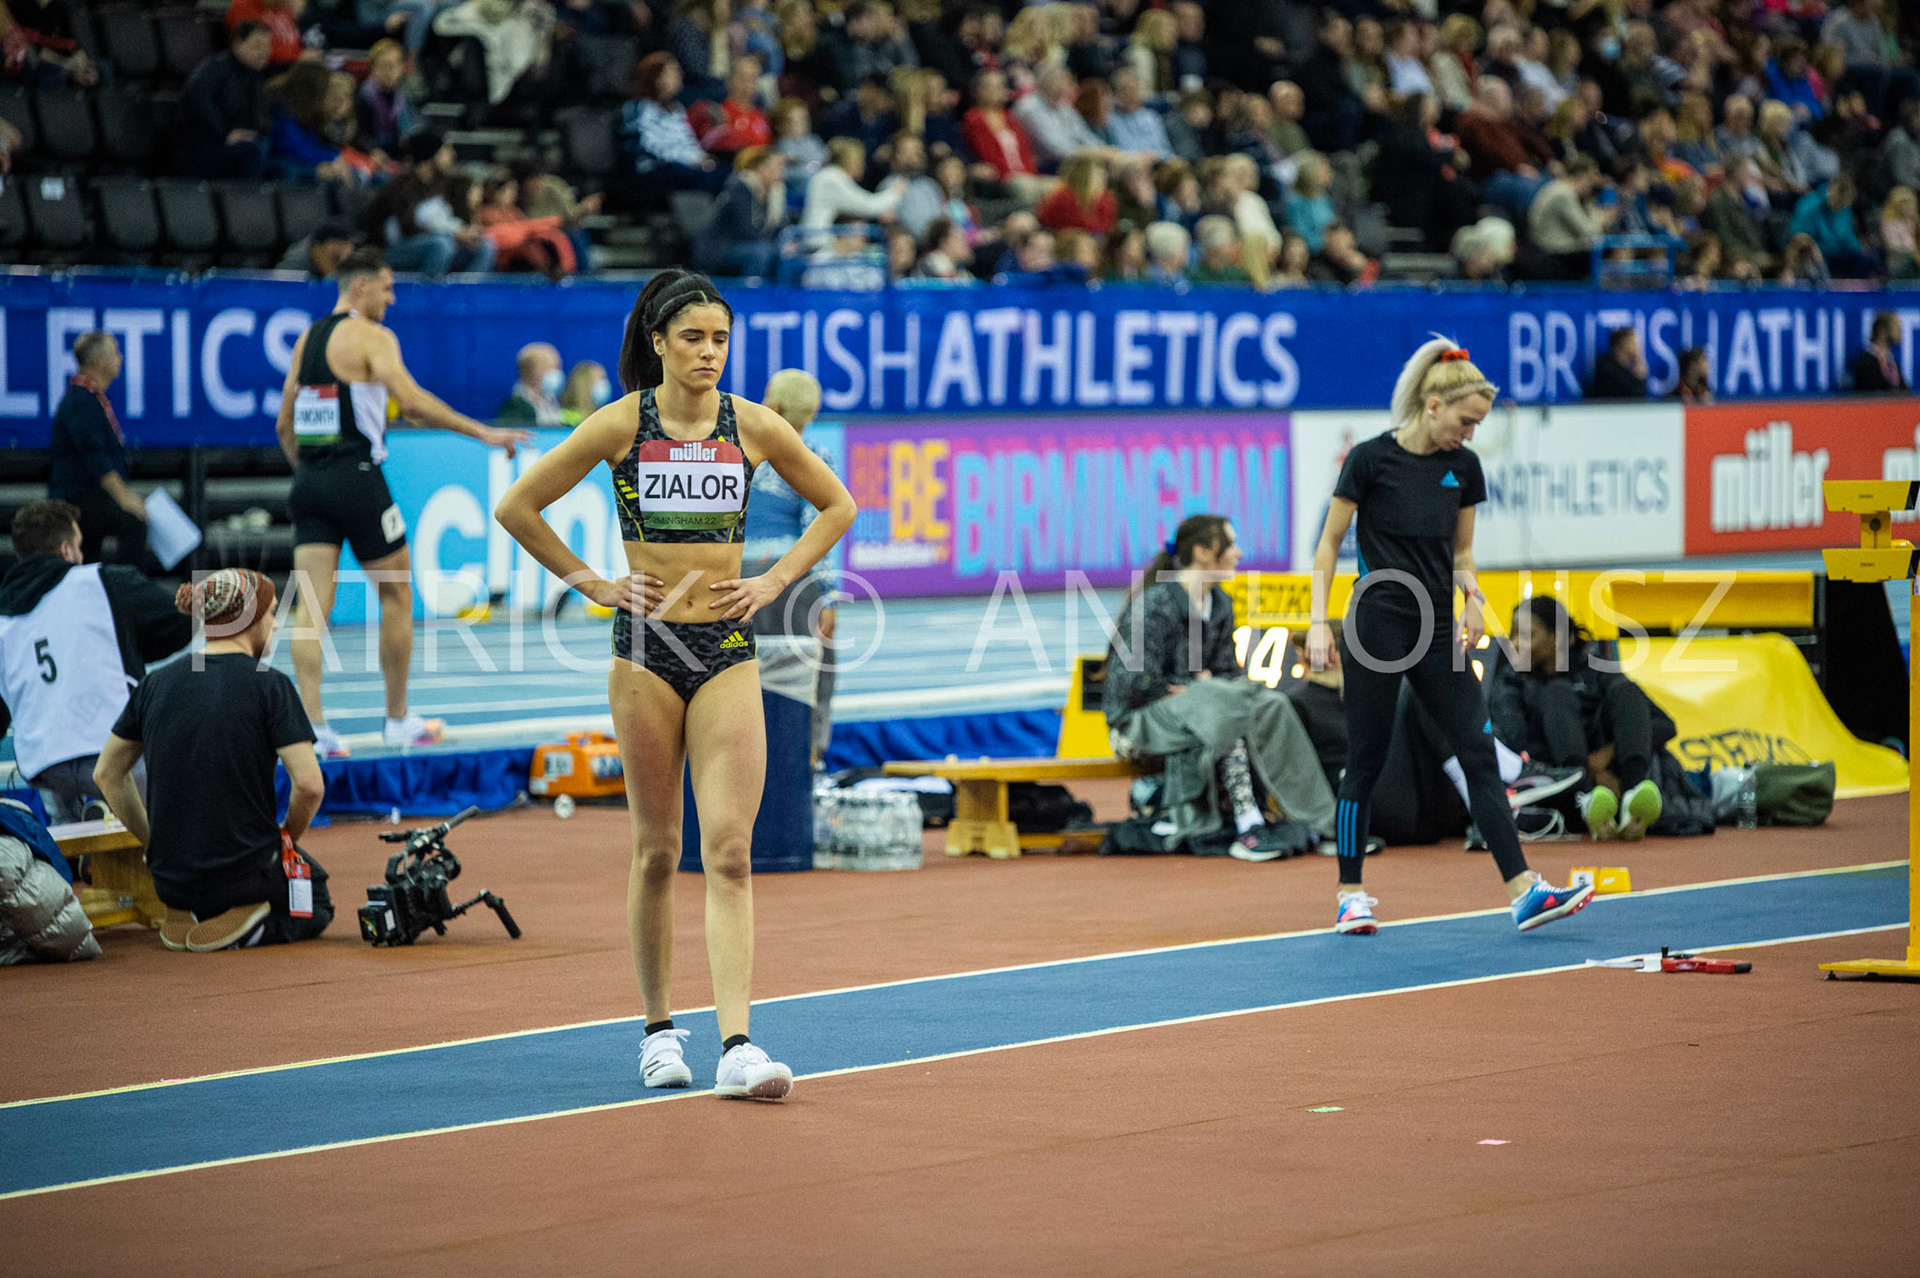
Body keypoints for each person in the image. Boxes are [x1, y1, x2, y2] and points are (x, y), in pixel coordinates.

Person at [493, 269, 854, 1101]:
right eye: (693, 337)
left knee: (728, 850)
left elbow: (837, 506)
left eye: (720, 339)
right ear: (658, 342)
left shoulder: (751, 425)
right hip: (644, 655)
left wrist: (774, 581)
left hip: (726, 649)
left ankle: (738, 1046)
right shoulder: (624, 422)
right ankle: (658, 1034)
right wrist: (594, 584)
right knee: (658, 850)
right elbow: (517, 507)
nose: (709, 352)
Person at [1306, 339, 1594, 935]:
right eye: (1466, 422)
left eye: (1478, 425)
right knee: (1365, 760)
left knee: (1479, 756)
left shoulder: (1464, 468)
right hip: (1376, 624)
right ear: (1432, 405)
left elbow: (1462, 553)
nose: (1470, 433)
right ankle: (1350, 894)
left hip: (1439, 628)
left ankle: (1523, 890)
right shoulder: (1369, 460)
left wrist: (1474, 601)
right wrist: (1316, 621)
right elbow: (1329, 545)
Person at [274, 249, 530, 759]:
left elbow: (284, 423)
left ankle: (315, 728)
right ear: (361, 286)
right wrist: (482, 433)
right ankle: (397, 720)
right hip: (358, 478)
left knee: (311, 609)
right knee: (396, 596)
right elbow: (411, 402)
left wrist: (311, 473)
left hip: (310, 480)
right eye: (387, 288)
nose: (392, 299)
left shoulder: (308, 338)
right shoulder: (373, 337)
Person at [93, 570, 333, 953]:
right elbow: (309, 785)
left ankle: (191, 911)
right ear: (249, 618)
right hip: (244, 875)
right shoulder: (269, 685)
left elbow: (106, 773)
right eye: (271, 613)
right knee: (315, 894)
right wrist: (285, 840)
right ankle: (250, 922)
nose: (275, 625)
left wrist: (153, 842)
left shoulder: (155, 684)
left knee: (222, 865)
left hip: (170, 876)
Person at [1101, 515, 1336, 860]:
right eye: (1230, 544)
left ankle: (1323, 823)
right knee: (1220, 705)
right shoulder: (1155, 605)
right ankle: (1248, 825)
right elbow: (1131, 685)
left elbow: (1227, 674)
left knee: (1271, 703)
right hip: (1136, 725)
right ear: (1202, 552)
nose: (1238, 553)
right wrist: (1195, 688)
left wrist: (1203, 687)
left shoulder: (1221, 604)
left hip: (1201, 709)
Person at [0, 501, 190, 824]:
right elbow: (179, 621)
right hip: (113, 750)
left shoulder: (4, 618)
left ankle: (79, 835)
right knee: (167, 827)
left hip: (43, 762)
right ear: (66, 550)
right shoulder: (100, 581)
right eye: (79, 546)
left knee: (66, 844)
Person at [1491, 595, 1669, 843]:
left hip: (1614, 778)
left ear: (1556, 638)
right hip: (1560, 785)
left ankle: (1633, 796)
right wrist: (1588, 772)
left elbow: (1663, 724)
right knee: (1557, 693)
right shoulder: (1511, 681)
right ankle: (1588, 801)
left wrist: (1604, 758)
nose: (1515, 643)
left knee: (1626, 690)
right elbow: (1519, 744)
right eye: (1513, 635)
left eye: (1527, 635)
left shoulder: (1593, 668)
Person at [742, 369, 840, 764]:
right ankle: (808, 756)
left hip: (734, 575)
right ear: (811, 412)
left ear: (776, 406)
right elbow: (818, 530)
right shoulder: (813, 457)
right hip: (789, 579)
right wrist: (828, 596)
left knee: (737, 670)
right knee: (814, 668)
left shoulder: (742, 454)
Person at [47, 332, 147, 567]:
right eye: (115, 353)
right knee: (133, 522)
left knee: (89, 556)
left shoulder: (90, 398)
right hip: (77, 500)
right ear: (99, 361)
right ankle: (125, 584)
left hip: (90, 498)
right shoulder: (80, 401)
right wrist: (125, 498)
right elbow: (94, 456)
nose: (120, 358)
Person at [177, 21, 275, 180]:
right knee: (253, 151)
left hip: (240, 142)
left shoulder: (256, 77)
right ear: (238, 43)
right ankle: (247, 195)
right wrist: (224, 134)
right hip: (206, 145)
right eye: (257, 46)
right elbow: (197, 98)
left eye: (268, 46)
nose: (264, 52)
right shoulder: (216, 68)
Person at [692, 145, 789, 277]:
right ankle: (752, 289)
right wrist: (777, 246)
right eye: (778, 167)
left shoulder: (775, 193)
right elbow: (747, 230)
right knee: (761, 252)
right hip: (720, 248)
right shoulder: (739, 187)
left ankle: (779, 290)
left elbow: (780, 227)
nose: (782, 173)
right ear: (761, 167)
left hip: (750, 244)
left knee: (788, 254)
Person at [801, 137, 905, 229]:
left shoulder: (829, 175)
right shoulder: (832, 178)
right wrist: (894, 192)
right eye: (860, 160)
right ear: (851, 160)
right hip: (817, 241)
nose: (863, 165)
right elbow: (869, 206)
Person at [497, 342, 565, 426]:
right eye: (551, 367)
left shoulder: (552, 401)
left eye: (558, 367)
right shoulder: (513, 408)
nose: (556, 372)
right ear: (531, 370)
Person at [277, 217, 358, 277]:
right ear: (331, 245)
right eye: (345, 244)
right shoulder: (292, 267)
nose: (351, 248)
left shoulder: (327, 256)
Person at [1852, 311, 1909, 393]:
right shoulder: (1866, 362)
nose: (1900, 331)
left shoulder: (1891, 362)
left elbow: (1906, 392)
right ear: (1882, 329)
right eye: (1896, 326)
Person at [1589, 327, 1649, 400]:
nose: (1638, 346)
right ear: (1624, 343)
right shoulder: (1606, 367)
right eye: (1634, 342)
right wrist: (1639, 378)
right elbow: (1635, 394)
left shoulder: (1627, 366)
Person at [559, 360, 612, 426]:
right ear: (585, 384)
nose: (604, 383)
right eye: (601, 378)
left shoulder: (603, 418)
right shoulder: (563, 419)